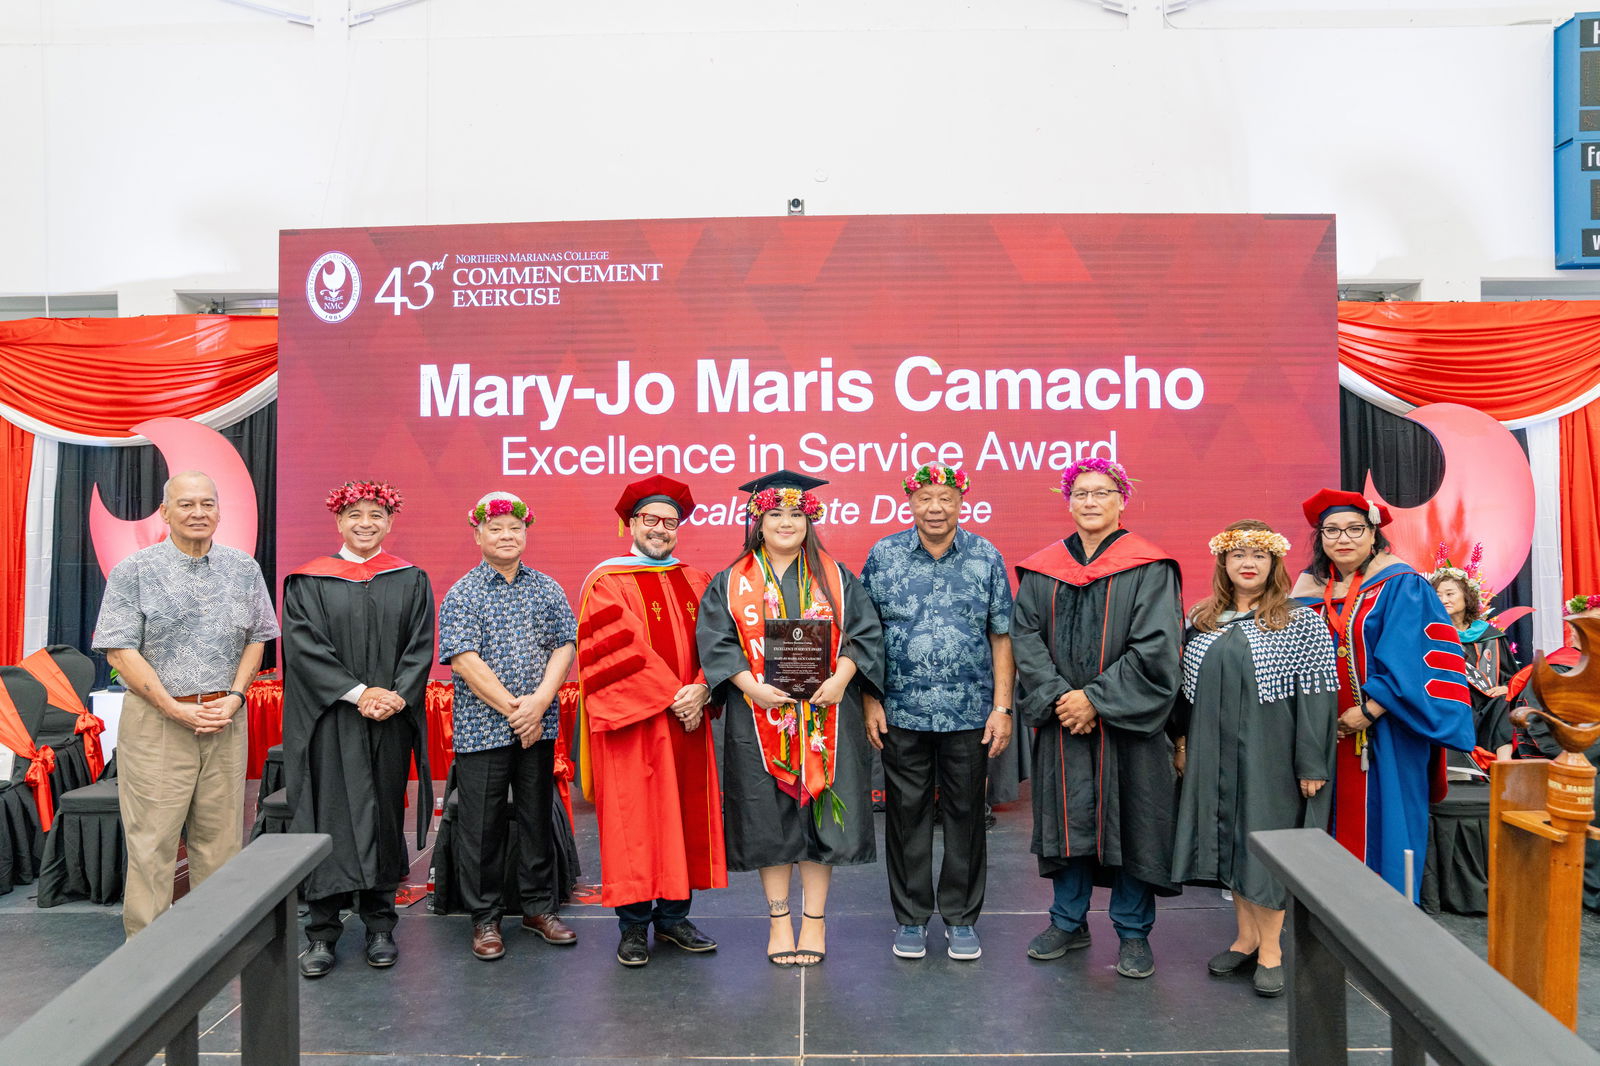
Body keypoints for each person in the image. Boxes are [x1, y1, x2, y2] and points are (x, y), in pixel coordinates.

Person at [695, 470, 885, 967]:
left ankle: (814, 922)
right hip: (759, 716)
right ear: (757, 522)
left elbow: (864, 634)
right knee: (770, 820)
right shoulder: (731, 582)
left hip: (828, 715)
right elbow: (717, 642)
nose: (786, 522)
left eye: (796, 514)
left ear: (809, 520)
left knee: (819, 816)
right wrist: (751, 687)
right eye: (775, 513)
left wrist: (842, 679)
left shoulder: (837, 577)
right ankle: (780, 922)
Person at [1011, 457, 1182, 980]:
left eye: (1102, 492)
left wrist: (1095, 700)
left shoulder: (1150, 566)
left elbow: (1156, 646)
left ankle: (1132, 931)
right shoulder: (1042, 569)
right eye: (1081, 493)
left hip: (1129, 726)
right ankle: (1068, 920)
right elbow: (1025, 639)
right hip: (1064, 722)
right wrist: (1062, 698)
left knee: (1133, 822)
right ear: (1069, 502)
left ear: (1121, 500)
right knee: (1068, 820)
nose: (1090, 501)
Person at [91, 470, 278, 938]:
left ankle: (214, 947)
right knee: (153, 843)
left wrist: (235, 697)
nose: (198, 513)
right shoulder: (135, 571)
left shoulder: (243, 568)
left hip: (223, 719)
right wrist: (173, 708)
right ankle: (149, 955)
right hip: (158, 721)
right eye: (187, 504)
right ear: (165, 512)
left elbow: (257, 639)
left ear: (219, 511)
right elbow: (119, 651)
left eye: (207, 504)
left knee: (220, 843)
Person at [1171, 520, 1337, 998]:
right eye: (1238, 554)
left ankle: (1272, 950)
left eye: (1259, 555)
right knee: (1232, 843)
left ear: (1274, 563)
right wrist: (1182, 745)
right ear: (1223, 562)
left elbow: (1317, 698)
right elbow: (1185, 696)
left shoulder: (1300, 621)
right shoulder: (1203, 620)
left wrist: (1311, 762)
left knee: (1266, 847)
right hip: (1214, 753)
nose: (1248, 563)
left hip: (1271, 756)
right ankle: (1245, 939)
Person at [1288, 489, 1475, 901]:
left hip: (1389, 728)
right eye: (1332, 530)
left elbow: (1418, 657)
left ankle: (1387, 917)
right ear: (1320, 537)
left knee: (1389, 820)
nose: (1343, 538)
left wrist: (1370, 710)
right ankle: (1329, 916)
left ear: (1374, 534)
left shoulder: (1401, 584)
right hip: (1321, 735)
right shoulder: (1305, 592)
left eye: (1355, 529)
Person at [860, 464, 1014, 962]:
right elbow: (863, 635)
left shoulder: (985, 556)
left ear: (961, 502)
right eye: (925, 498)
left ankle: (961, 919)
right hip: (900, 713)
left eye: (945, 498)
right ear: (910, 502)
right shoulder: (884, 555)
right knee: (906, 818)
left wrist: (1002, 707)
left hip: (969, 714)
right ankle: (910, 918)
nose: (935, 508)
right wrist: (869, 699)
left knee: (966, 817)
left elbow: (1001, 636)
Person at [282, 480, 435, 977]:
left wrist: (395, 695)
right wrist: (359, 693)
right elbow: (304, 649)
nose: (365, 523)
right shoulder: (309, 581)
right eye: (355, 515)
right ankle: (322, 931)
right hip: (332, 719)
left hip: (389, 719)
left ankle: (380, 925)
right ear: (338, 521)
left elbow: (420, 645)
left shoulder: (411, 579)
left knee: (384, 816)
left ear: (390, 522)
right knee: (325, 816)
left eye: (376, 515)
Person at [575, 475, 727, 967]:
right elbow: (617, 651)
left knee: (684, 817)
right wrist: (675, 698)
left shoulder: (698, 580)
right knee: (634, 822)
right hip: (635, 725)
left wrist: (703, 687)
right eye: (651, 520)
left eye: (670, 522)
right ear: (631, 523)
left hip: (688, 723)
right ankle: (634, 925)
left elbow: (721, 643)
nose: (661, 529)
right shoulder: (607, 582)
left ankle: (674, 917)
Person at [437, 491, 578, 961]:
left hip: (538, 726)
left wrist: (540, 703)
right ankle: (485, 918)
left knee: (537, 819)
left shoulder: (547, 588)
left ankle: (539, 909)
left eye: (515, 528)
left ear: (526, 533)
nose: (506, 536)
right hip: (484, 730)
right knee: (482, 827)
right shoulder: (464, 592)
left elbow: (564, 646)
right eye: (495, 529)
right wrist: (517, 711)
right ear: (477, 535)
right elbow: (463, 660)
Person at [1429, 565, 1516, 751]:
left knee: (1504, 702)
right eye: (1438, 595)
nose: (1443, 600)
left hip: (1490, 705)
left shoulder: (1489, 635)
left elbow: (1511, 677)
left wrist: (1506, 688)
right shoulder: (1431, 636)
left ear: (1466, 596)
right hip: (1453, 706)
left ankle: (1505, 763)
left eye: (1450, 594)